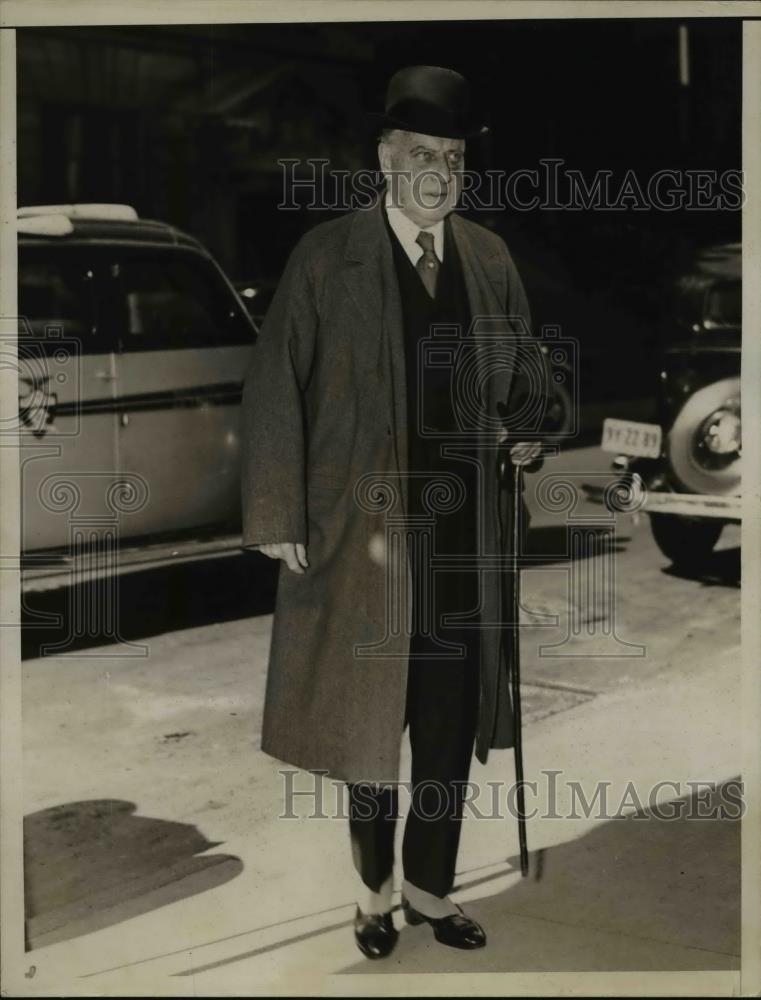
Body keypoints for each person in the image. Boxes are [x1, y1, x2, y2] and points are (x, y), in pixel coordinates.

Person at [240, 65, 546, 959]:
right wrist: (278, 512)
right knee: (366, 727)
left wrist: (526, 428)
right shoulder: (327, 256)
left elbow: (527, 374)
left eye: (450, 156)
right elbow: (272, 389)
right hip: (363, 536)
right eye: (420, 154)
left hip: (461, 540)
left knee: (448, 729)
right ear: (384, 159)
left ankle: (428, 890)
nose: (438, 171)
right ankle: (372, 895)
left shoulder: (487, 256)